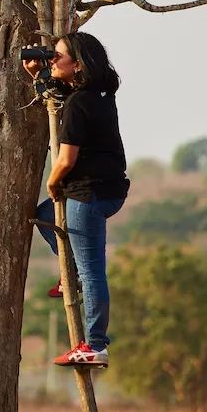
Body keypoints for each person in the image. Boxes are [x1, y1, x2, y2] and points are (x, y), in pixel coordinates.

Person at [22, 31, 130, 368]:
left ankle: (95, 345)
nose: (52, 60)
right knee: (45, 215)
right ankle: (72, 270)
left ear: (78, 64)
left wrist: (53, 181)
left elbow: (66, 159)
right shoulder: (97, 94)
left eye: (57, 56)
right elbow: (57, 96)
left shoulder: (79, 103)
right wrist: (39, 74)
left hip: (88, 193)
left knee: (93, 271)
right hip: (107, 189)